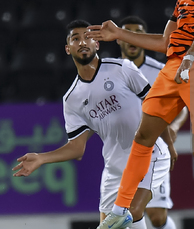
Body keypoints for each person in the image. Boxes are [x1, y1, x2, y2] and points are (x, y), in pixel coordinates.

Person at [87, 0, 194, 228]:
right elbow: (166, 42)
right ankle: (119, 209)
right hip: (174, 67)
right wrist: (118, 33)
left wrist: (192, 56)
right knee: (143, 137)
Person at [12, 20, 176, 229]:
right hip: (114, 169)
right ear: (67, 48)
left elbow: (156, 107)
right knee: (124, 222)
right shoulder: (71, 99)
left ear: (96, 44)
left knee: (132, 212)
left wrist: (169, 144)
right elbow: (76, 148)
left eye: (88, 36)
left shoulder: (122, 68)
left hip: (149, 154)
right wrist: (42, 158)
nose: (83, 42)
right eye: (76, 38)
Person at [118, 15, 189, 229]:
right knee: (127, 213)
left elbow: (183, 104)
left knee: (157, 216)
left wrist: (174, 126)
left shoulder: (162, 71)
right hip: (121, 151)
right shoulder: (111, 72)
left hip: (154, 148)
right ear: (120, 39)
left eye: (139, 34)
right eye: (129, 33)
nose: (133, 39)